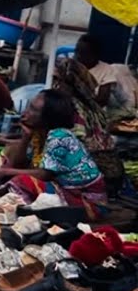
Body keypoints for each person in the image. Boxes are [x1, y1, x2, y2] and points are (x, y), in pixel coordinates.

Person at [0, 90, 107, 219]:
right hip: (63, 191)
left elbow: (44, 174)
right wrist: (25, 137)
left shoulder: (59, 136)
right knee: (9, 156)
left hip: (87, 202)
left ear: (47, 117)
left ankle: (1, 213)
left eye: (33, 109)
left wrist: (6, 172)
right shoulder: (41, 134)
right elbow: (18, 163)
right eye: (29, 106)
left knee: (21, 180)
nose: (26, 112)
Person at [54, 57, 126, 194]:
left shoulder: (71, 107)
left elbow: (69, 147)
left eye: (58, 80)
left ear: (69, 83)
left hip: (97, 179)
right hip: (110, 175)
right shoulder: (91, 106)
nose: (55, 85)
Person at [74, 34, 138, 121]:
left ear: (95, 55)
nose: (78, 56)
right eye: (77, 51)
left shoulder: (106, 70)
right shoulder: (71, 66)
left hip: (95, 111)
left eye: (83, 53)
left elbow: (102, 100)